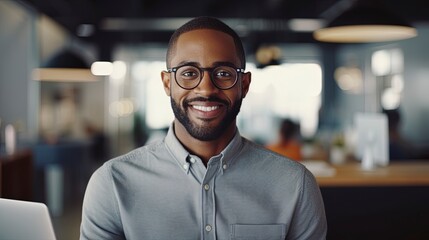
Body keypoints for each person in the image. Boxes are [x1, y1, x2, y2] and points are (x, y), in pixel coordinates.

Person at [80, 16, 327, 240]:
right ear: (167, 83)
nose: (206, 89)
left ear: (244, 84)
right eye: (188, 73)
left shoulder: (295, 185)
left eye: (223, 73)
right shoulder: (112, 183)